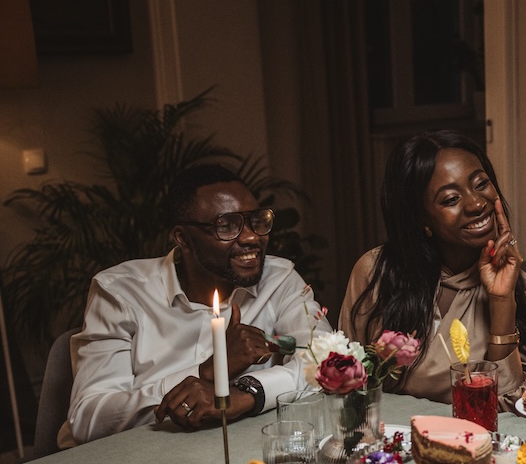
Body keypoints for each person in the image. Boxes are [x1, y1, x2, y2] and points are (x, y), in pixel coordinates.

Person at [63, 164, 330, 446]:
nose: (252, 237)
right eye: (226, 225)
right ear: (183, 238)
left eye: (257, 220)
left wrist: (249, 392)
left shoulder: (279, 279)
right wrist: (208, 371)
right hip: (137, 455)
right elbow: (87, 418)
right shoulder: (120, 293)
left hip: (239, 447)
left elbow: (329, 363)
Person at [341, 131, 526, 407]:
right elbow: (344, 382)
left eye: (481, 184)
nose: (477, 204)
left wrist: (501, 301)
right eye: (451, 199)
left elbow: (508, 411)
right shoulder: (377, 274)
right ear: (421, 218)